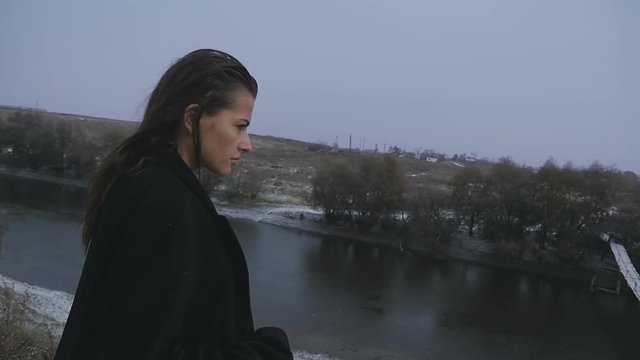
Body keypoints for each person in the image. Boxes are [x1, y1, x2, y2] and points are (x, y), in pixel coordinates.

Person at [54, 49, 294, 360]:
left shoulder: (145, 181)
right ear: (193, 119)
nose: (247, 144)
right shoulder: (161, 202)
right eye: (239, 125)